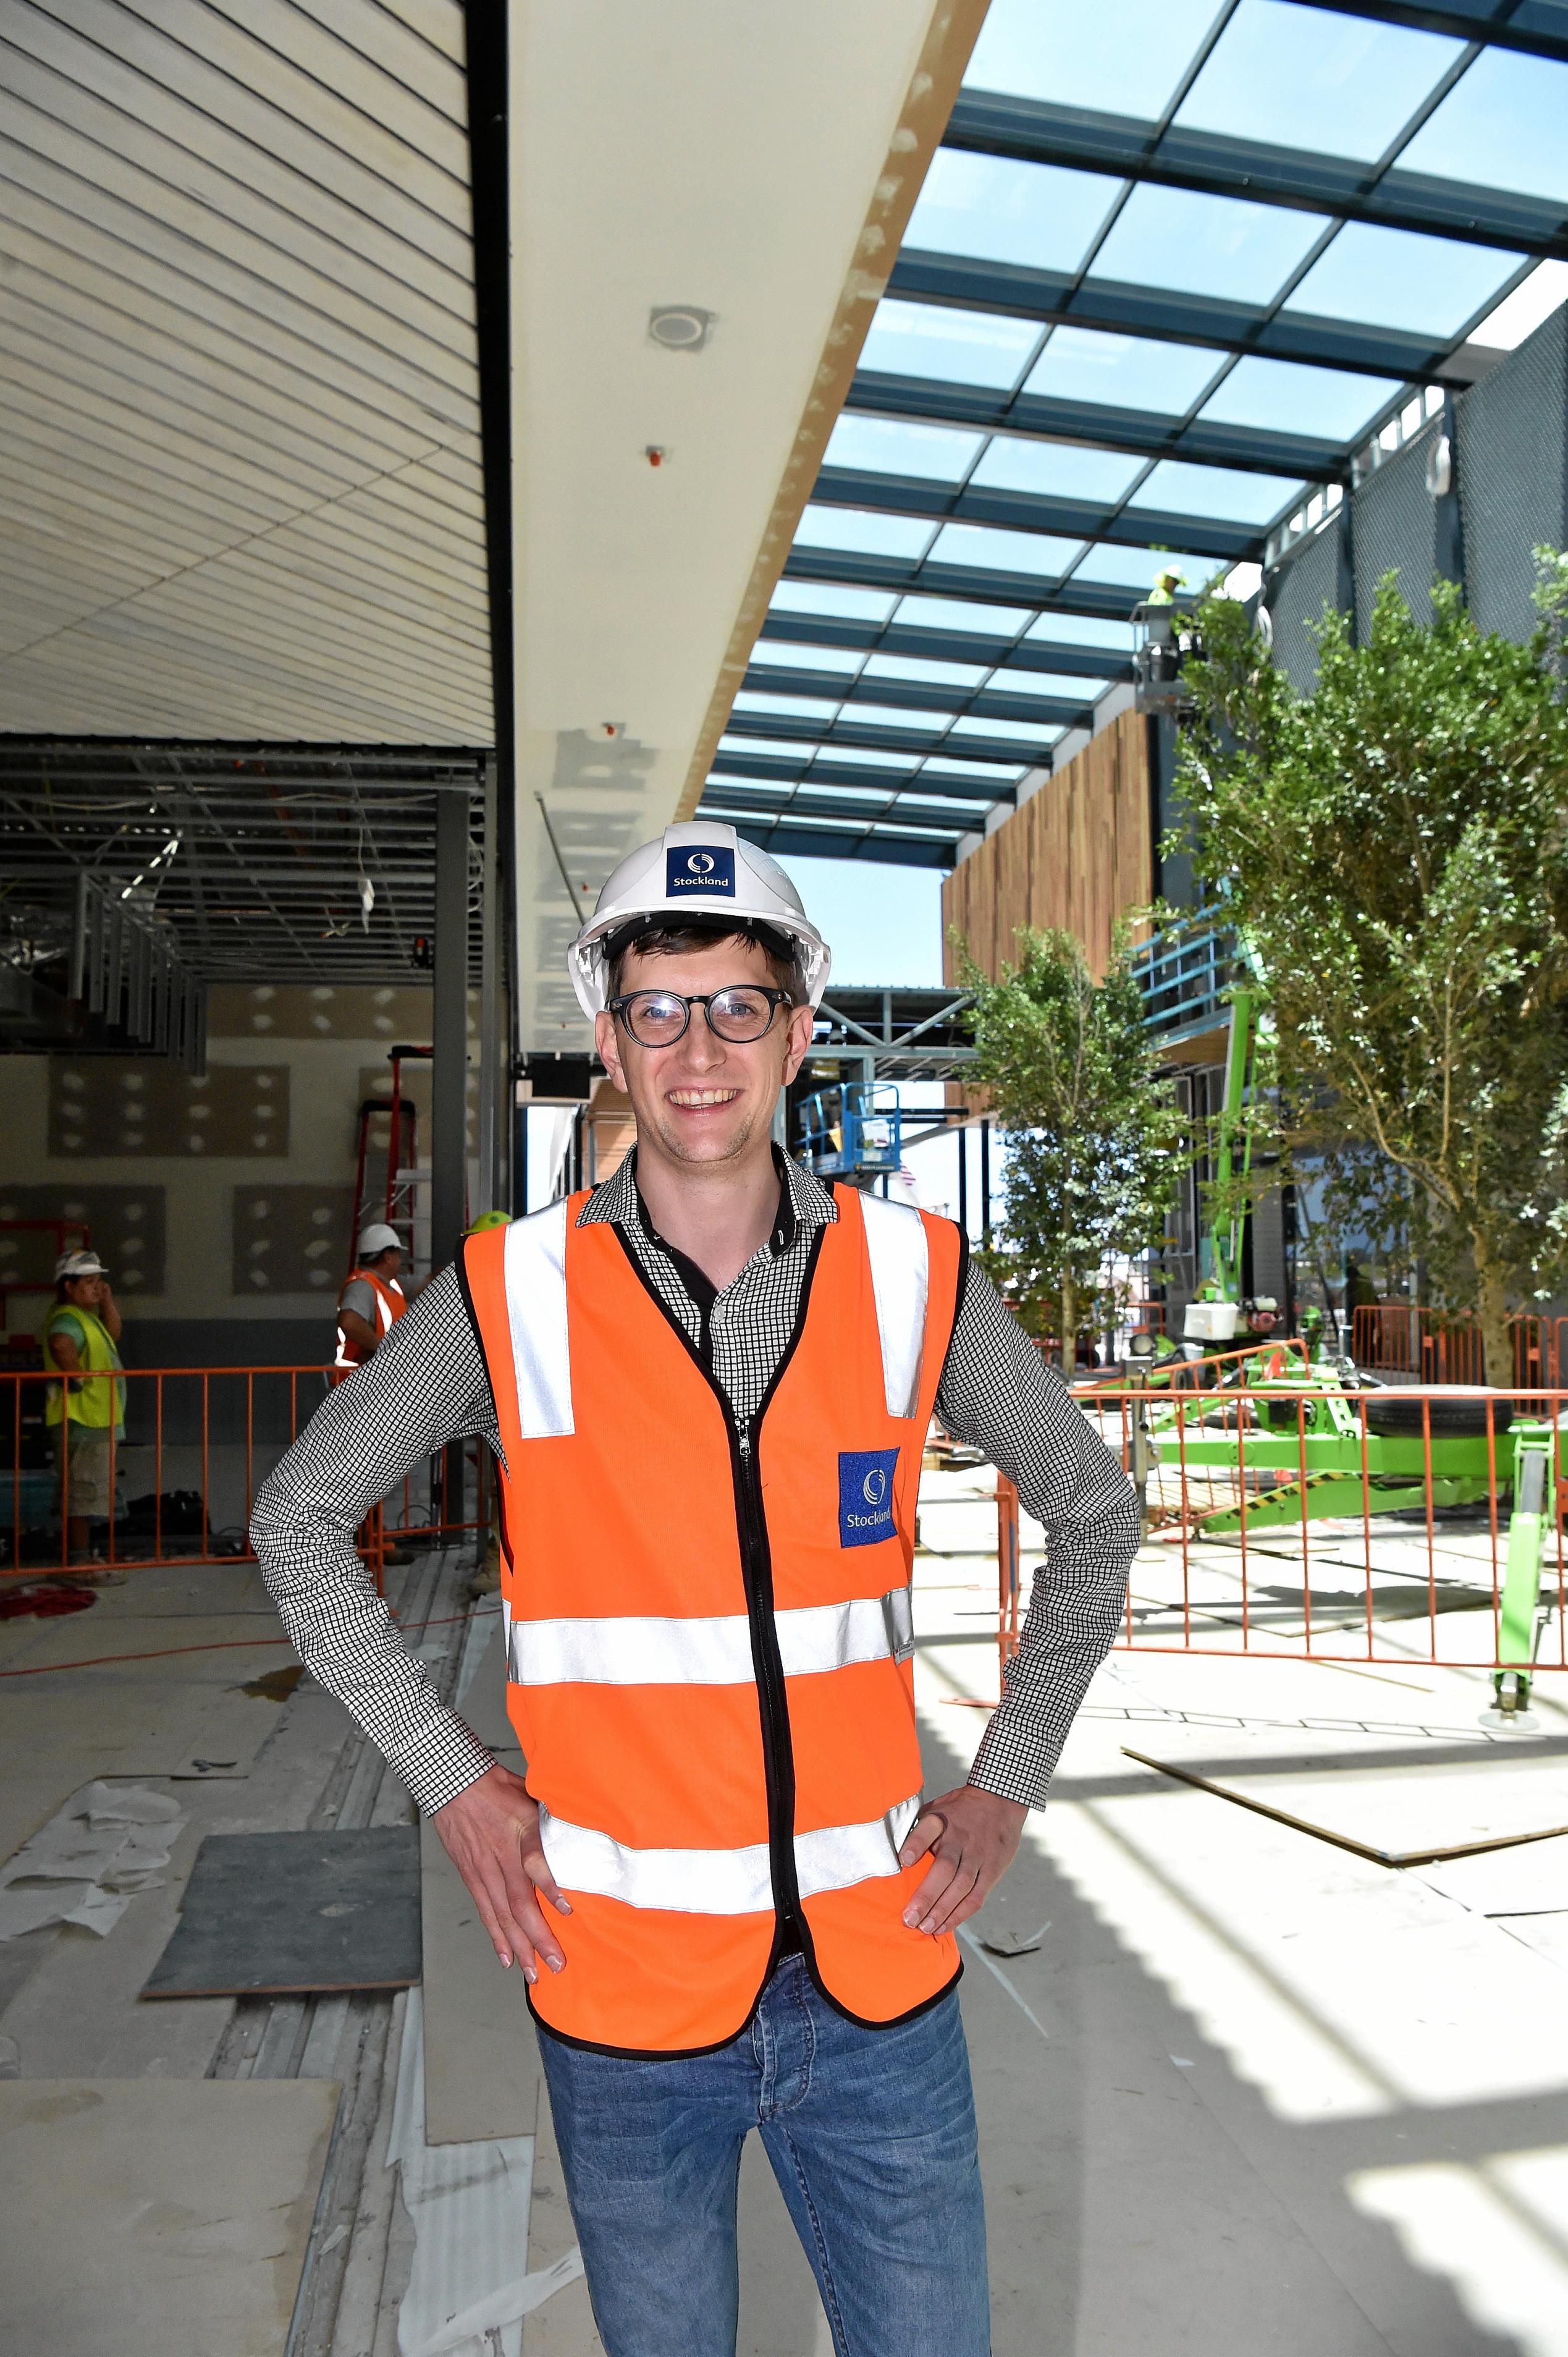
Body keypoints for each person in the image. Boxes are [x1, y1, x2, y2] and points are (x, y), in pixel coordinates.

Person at [252, 823, 1140, 2357]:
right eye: (659, 1009)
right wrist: (453, 1782)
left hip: (879, 1989)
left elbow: (1094, 1513)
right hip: (621, 1998)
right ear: (609, 1039)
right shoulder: (503, 1293)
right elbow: (296, 1518)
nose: (699, 1047)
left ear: (796, 1033)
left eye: (738, 1005)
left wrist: (1001, 1782)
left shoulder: (914, 1274)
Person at [43, 1248, 125, 1570]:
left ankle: (80, 1555)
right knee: (82, 1491)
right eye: (89, 1282)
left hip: (97, 1418)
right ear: (69, 1286)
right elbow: (60, 1343)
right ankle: (77, 1560)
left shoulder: (87, 1318)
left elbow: (113, 1335)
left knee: (87, 1492)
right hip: (83, 1418)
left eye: (98, 1282)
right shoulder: (67, 1318)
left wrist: (106, 1301)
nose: (96, 1287)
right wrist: (77, 1376)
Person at [332, 1222, 411, 1384]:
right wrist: (385, 1349)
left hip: (376, 1382)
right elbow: (349, 1322)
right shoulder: (362, 1285)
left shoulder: (389, 1285)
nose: (399, 1260)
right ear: (388, 1257)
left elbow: (428, 1281)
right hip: (358, 1384)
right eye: (397, 1254)